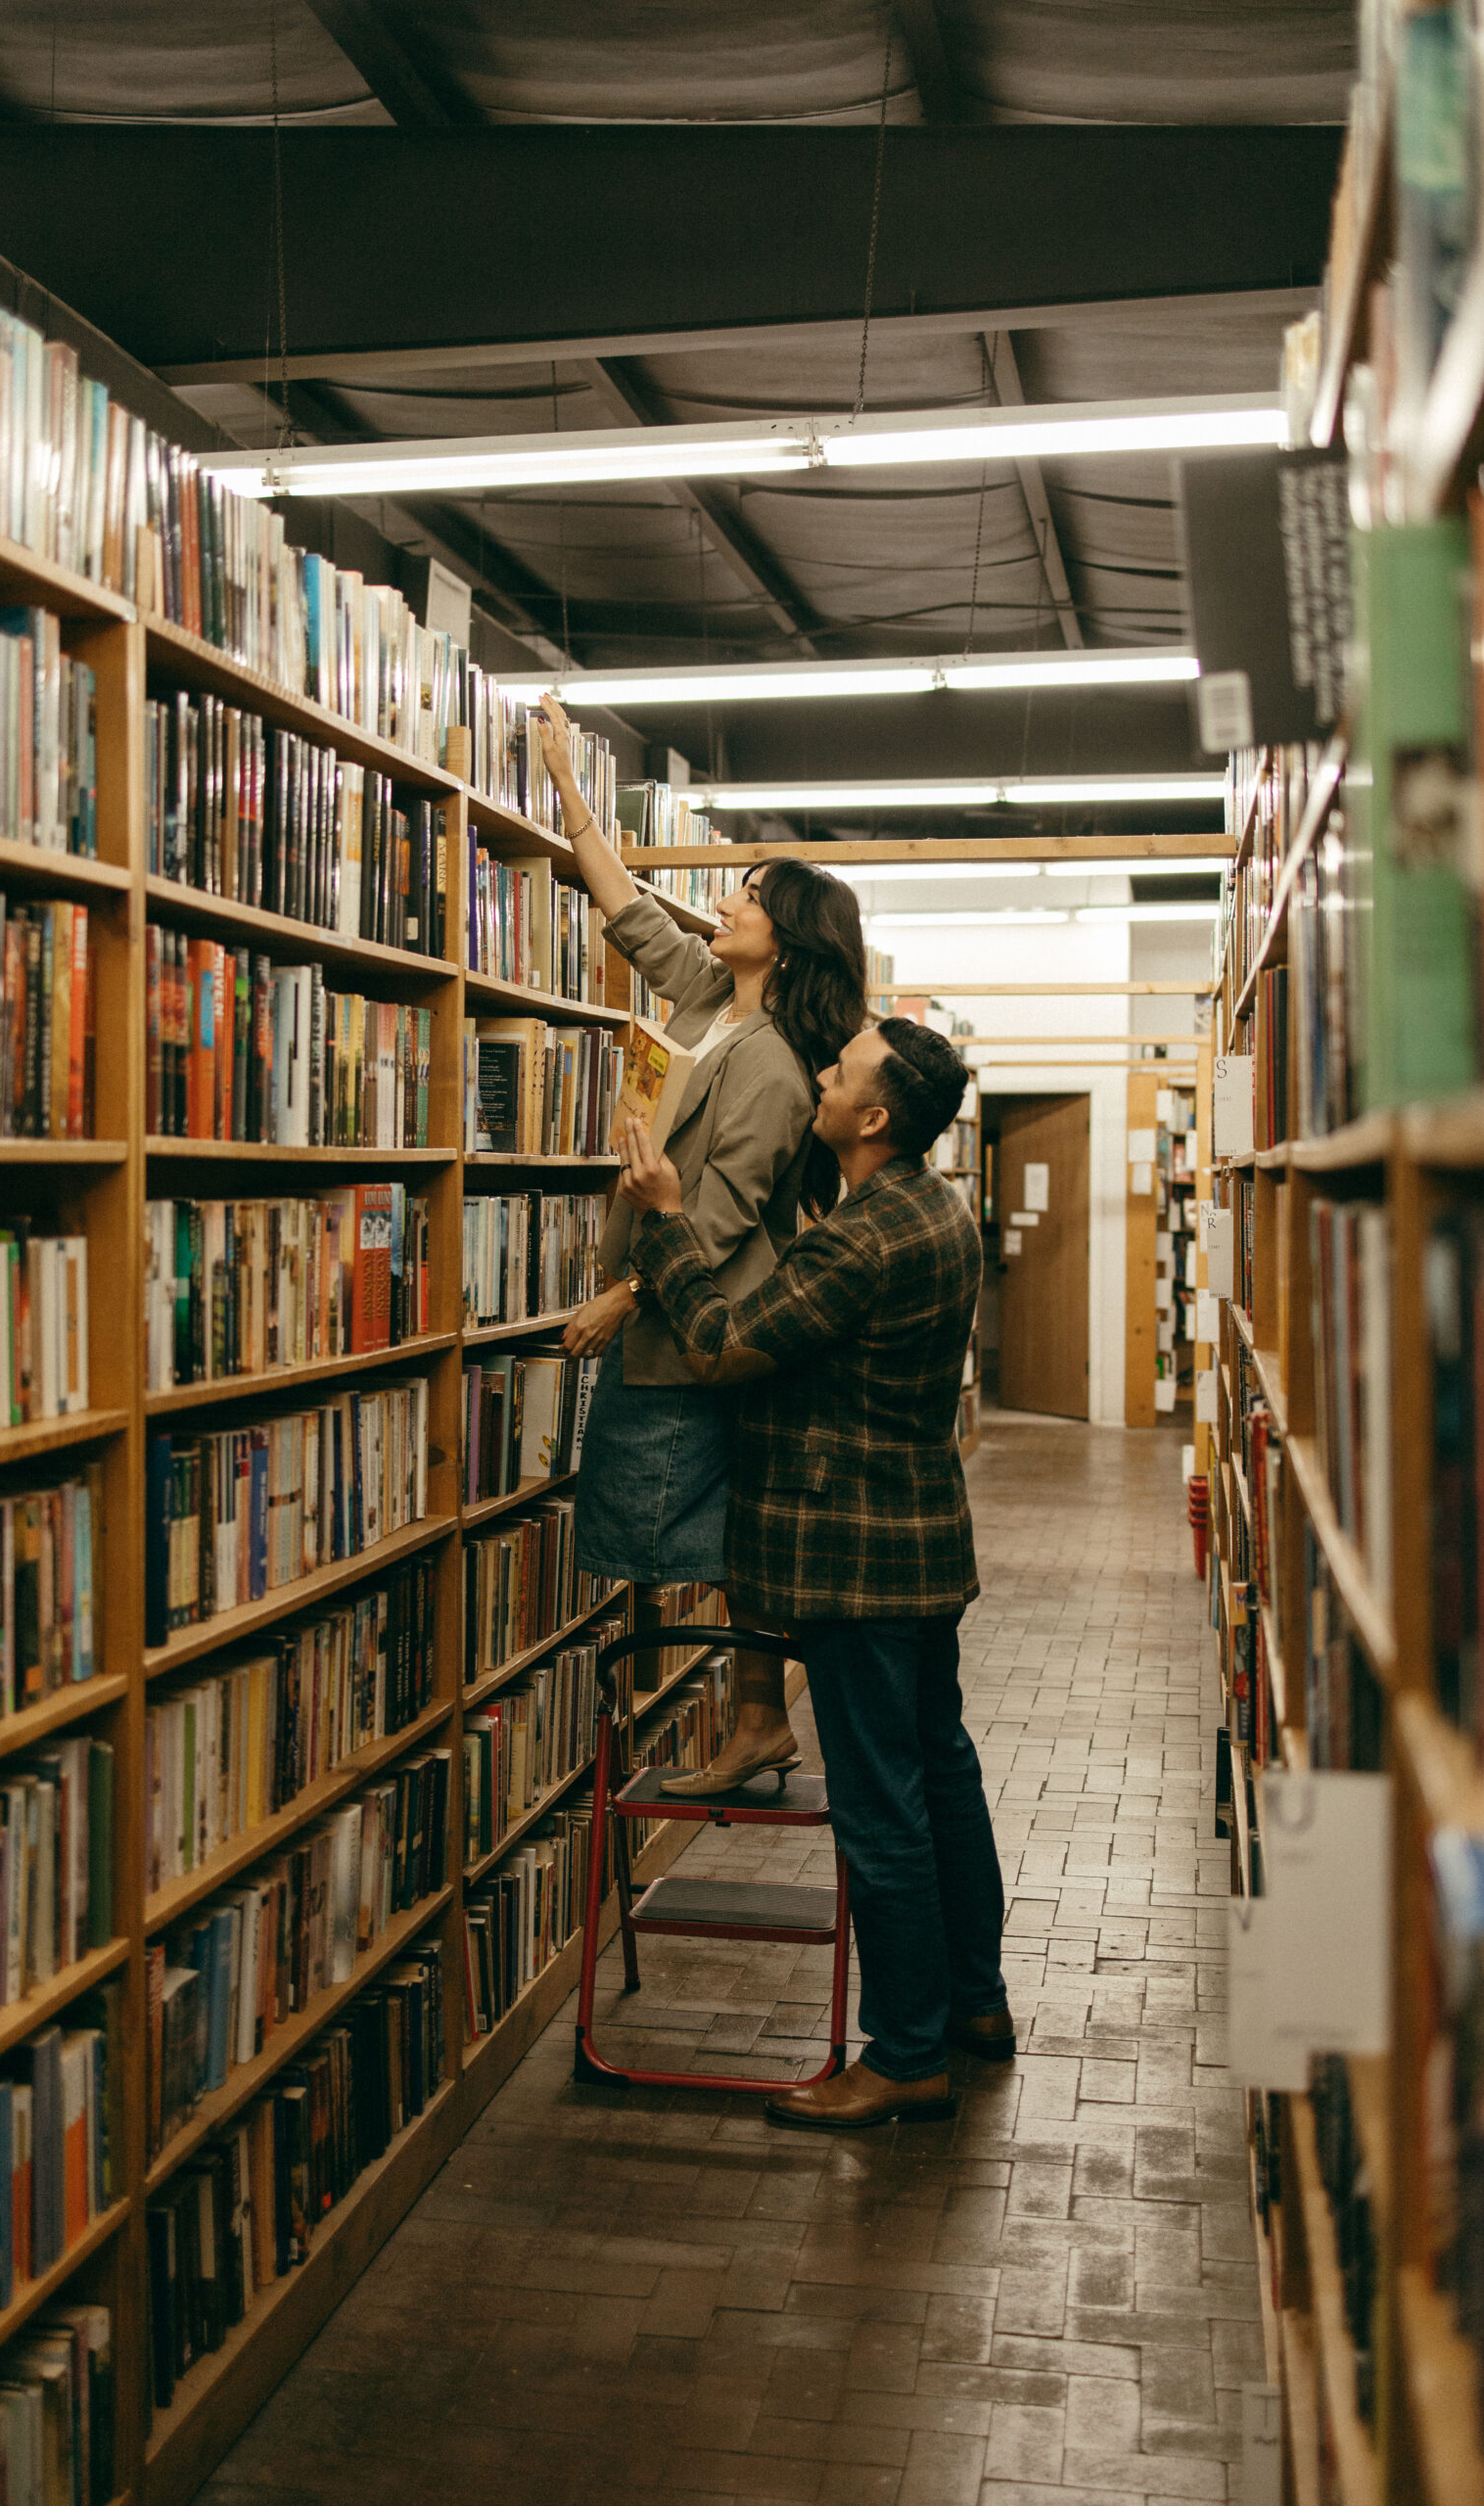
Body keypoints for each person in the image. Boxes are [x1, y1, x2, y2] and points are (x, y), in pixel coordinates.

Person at [616, 1016, 1011, 2129]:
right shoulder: (933, 1206)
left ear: (873, 1118)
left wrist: (667, 1224)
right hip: (919, 1545)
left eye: (838, 1073)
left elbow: (724, 1342)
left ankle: (905, 2054)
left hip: (855, 1563)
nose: (819, 1081)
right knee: (940, 1774)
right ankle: (971, 2003)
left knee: (881, 1808)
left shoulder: (863, 1237)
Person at [532, 693, 869, 1793]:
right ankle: (738, 1714)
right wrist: (569, 788)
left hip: (702, 1331)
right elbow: (630, 910)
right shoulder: (712, 1000)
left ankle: (753, 1716)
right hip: (668, 1315)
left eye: (753, 896)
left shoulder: (770, 1061)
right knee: (706, 1533)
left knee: (720, 1536)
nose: (726, 899)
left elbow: (717, 1221)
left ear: (791, 937)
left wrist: (623, 1297)